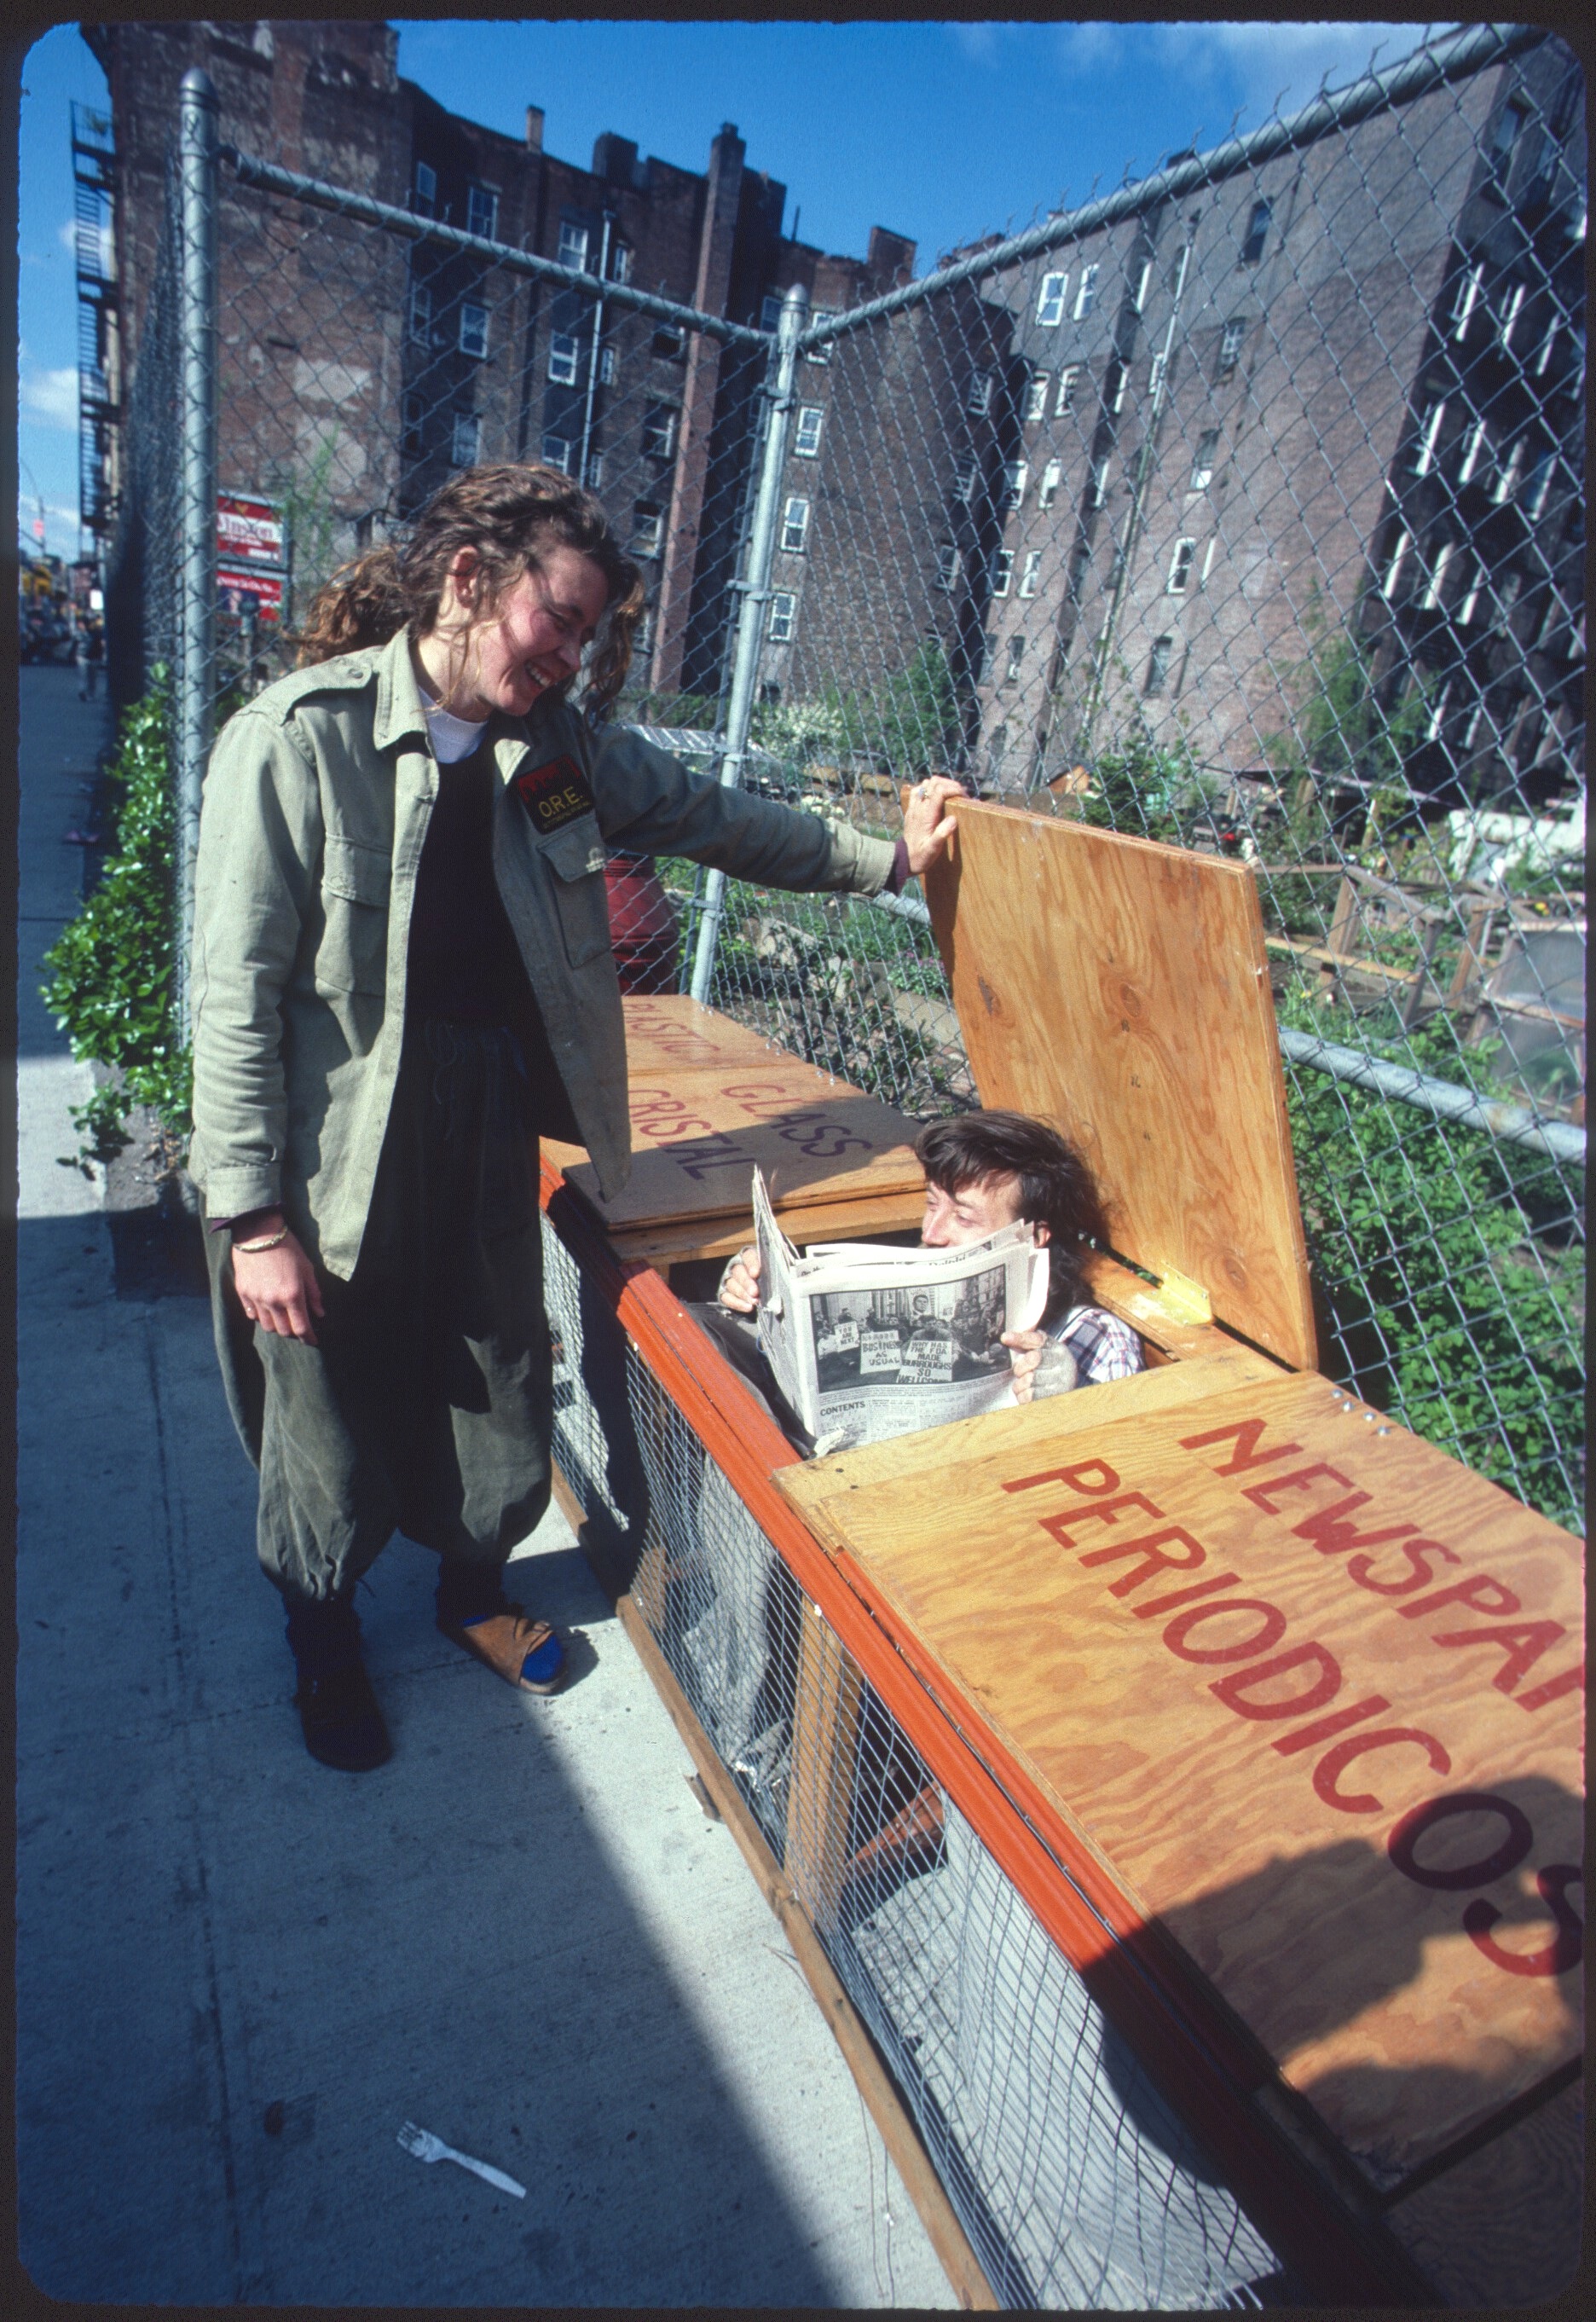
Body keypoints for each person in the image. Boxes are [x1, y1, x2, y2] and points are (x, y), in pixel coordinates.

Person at [188, 460, 965, 1772]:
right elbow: (233, 993)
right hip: (335, 1137)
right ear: (469, 579)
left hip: (486, 1103)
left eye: (591, 631)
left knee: (495, 1357)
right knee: (324, 1383)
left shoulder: (554, 753)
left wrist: (886, 859)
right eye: (559, 617)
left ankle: (471, 1589)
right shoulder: (298, 735)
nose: (570, 655)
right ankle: (322, 1630)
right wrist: (251, 1211)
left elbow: (717, 818)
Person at [700, 1109, 1142, 1447]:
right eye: (932, 1204)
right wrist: (757, 1291)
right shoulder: (907, 1271)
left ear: (1034, 1236)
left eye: (964, 1217)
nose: (931, 1234)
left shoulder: (1097, 1336)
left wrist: (1070, 1406)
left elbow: (1131, 1471)